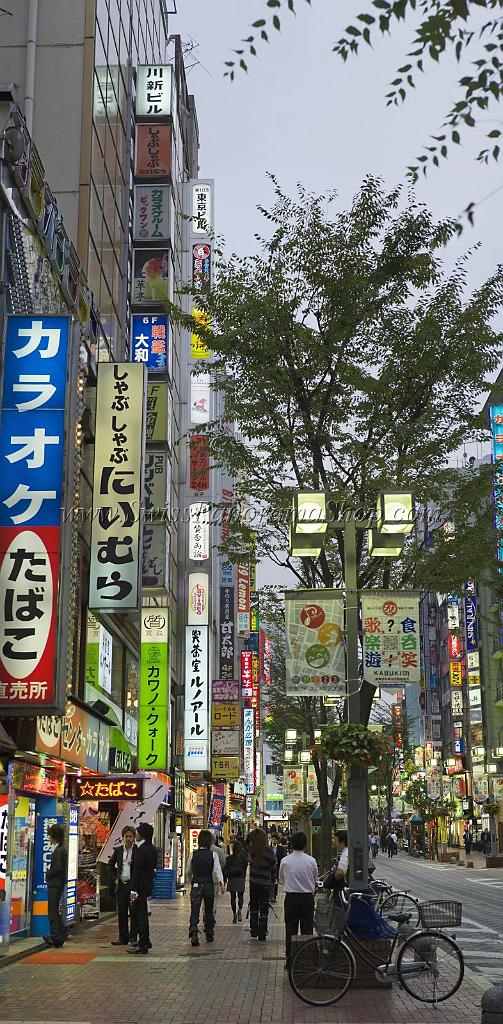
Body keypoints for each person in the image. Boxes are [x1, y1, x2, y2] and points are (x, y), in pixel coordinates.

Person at [279, 831, 319, 968]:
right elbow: (315, 879)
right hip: (307, 898)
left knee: (290, 930)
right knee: (307, 929)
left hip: (291, 899)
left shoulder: (285, 861)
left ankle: (290, 960)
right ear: (305, 845)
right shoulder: (311, 861)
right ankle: (306, 960)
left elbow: (281, 880)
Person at [186, 829, 224, 946]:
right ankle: (209, 932)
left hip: (196, 885)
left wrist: (192, 880)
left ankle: (193, 931)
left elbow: (188, 871)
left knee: (195, 910)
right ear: (210, 841)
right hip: (209, 885)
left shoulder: (193, 854)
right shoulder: (213, 855)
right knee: (208, 910)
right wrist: (222, 883)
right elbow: (217, 870)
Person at [128, 822, 157, 955]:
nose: (136, 834)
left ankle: (143, 943)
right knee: (141, 914)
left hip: (139, 886)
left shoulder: (141, 850)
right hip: (147, 885)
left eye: (138, 832)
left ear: (143, 834)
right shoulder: (151, 848)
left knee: (140, 916)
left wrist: (133, 890)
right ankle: (145, 941)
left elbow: (137, 871)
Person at [108, 826, 136, 946]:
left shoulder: (137, 850)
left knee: (134, 912)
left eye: (131, 836)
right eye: (126, 836)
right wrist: (115, 878)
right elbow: (110, 864)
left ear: (134, 837)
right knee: (122, 912)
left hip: (133, 885)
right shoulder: (119, 850)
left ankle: (133, 937)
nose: (128, 839)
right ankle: (122, 937)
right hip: (121, 885)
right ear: (123, 838)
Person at [248, 827, 276, 942]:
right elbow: (273, 867)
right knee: (264, 907)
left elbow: (248, 861)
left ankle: (254, 930)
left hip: (253, 882)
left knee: (254, 905)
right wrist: (273, 880)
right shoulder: (269, 851)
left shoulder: (251, 849)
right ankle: (262, 932)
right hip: (265, 883)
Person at [43, 823, 68, 948]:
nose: (48, 837)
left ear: (53, 836)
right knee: (54, 911)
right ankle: (61, 933)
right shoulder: (60, 849)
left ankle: (56, 937)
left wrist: (48, 875)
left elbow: (58, 868)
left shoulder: (59, 850)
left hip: (55, 884)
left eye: (49, 835)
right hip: (58, 883)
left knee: (52, 911)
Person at [224, 839, 248, 922]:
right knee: (240, 897)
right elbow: (245, 869)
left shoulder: (229, 858)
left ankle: (234, 913)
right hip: (240, 879)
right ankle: (240, 910)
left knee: (233, 897)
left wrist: (225, 880)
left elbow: (225, 870)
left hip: (232, 879)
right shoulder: (244, 859)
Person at [211, 834, 227, 922]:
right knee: (214, 898)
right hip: (215, 878)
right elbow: (223, 862)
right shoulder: (219, 850)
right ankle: (212, 914)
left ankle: (205, 914)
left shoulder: (200, 851)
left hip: (203, 880)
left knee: (204, 900)